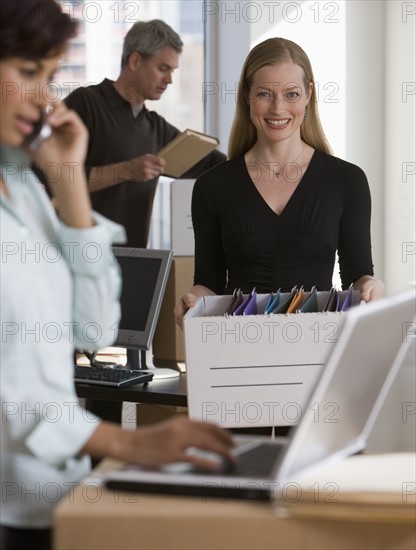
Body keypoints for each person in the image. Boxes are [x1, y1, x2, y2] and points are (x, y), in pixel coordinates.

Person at [0, 2, 233, 549]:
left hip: (49, 496)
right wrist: (129, 445)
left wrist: (71, 185)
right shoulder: (88, 108)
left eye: (51, 77)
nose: (45, 100)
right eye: (30, 74)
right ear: (134, 60)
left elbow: (92, 330)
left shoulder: (29, 189)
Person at [175, 37, 384, 326]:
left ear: (309, 94)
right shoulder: (213, 186)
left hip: (317, 349)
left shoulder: (347, 181)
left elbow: (357, 276)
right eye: (264, 94)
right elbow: (207, 283)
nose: (277, 109)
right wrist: (193, 302)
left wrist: (372, 286)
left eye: (292, 94)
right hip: (237, 350)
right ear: (247, 94)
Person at [64, 19, 226, 247]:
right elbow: (55, 176)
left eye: (172, 71)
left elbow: (215, 164)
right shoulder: (85, 103)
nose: (169, 79)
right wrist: (128, 170)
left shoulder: (155, 127)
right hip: (79, 258)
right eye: (163, 68)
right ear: (135, 60)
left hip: (135, 265)